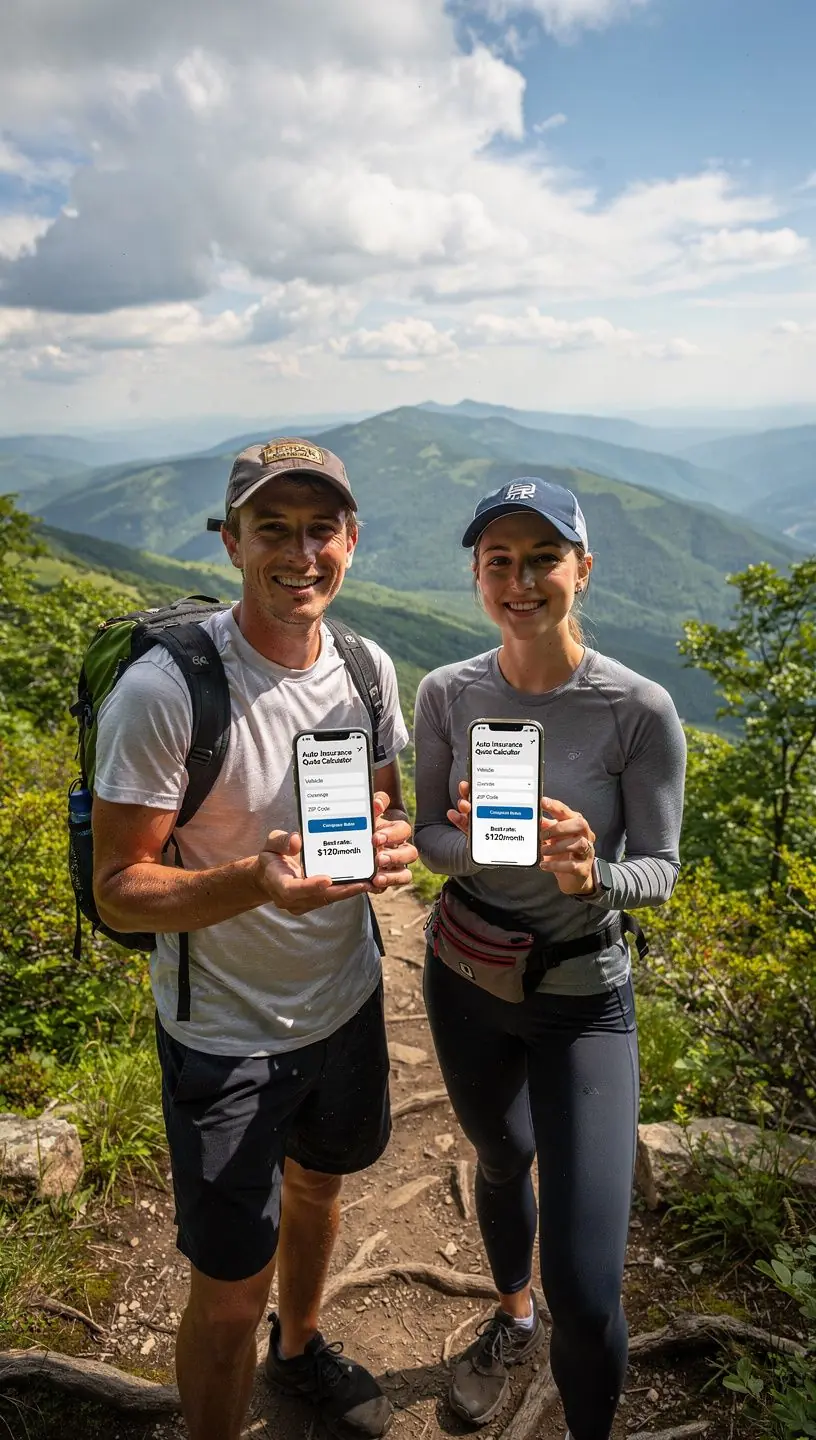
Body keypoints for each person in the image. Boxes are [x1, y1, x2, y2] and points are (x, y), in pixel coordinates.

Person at [92, 439, 417, 1440]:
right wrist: (253, 881)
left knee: (321, 1183)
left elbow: (374, 807)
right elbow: (119, 892)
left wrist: (385, 843)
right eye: (272, 529)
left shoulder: (367, 670)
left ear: (351, 543)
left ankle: (303, 1346)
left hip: (347, 998)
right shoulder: (165, 692)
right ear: (231, 542)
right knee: (229, 1295)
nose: (300, 550)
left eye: (321, 528)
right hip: (225, 1035)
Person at [413, 477, 686, 1440]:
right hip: (467, 974)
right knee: (500, 1154)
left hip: (582, 996)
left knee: (592, 1285)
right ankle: (509, 1315)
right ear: (478, 574)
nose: (520, 579)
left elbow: (660, 870)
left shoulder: (637, 709)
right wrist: (478, 845)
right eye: (499, 561)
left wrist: (590, 874)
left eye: (543, 558)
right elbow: (426, 843)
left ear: (583, 570)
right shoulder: (447, 693)